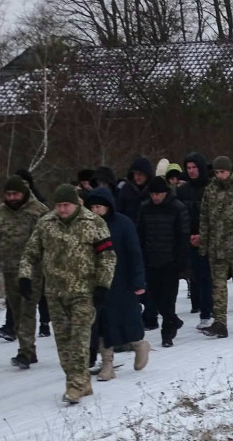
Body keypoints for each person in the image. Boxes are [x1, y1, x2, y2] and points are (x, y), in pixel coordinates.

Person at [19, 184, 116, 404]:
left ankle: (75, 386)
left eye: (66, 205)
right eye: (59, 205)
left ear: (76, 204)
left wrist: (102, 285)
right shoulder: (46, 224)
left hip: (84, 292)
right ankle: (82, 382)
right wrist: (24, 277)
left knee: (79, 340)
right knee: (63, 342)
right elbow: (30, 253)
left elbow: (107, 257)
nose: (62, 210)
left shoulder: (94, 223)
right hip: (54, 293)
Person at [83, 187, 149, 381]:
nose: (95, 211)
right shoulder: (86, 226)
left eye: (99, 206)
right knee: (101, 324)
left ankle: (139, 345)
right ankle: (107, 364)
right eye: (92, 207)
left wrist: (138, 280)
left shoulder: (123, 223)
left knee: (126, 319)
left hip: (122, 280)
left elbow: (134, 253)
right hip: (97, 282)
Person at [0, 173, 48, 370]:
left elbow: (50, 240)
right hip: (9, 271)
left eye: (15, 194)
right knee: (17, 310)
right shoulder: (0, 213)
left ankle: (25, 352)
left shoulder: (38, 211)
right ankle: (30, 349)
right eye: (8, 194)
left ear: (23, 193)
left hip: (32, 271)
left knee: (27, 309)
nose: (12, 198)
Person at [198, 157, 233, 338]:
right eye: (217, 172)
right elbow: (205, 220)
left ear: (230, 171)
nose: (220, 175)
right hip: (217, 247)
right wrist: (204, 244)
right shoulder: (210, 190)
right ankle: (220, 322)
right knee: (218, 287)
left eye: (222, 172)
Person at [136, 176, 189, 347]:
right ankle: (173, 319)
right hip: (151, 260)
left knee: (169, 298)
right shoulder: (145, 209)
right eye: (152, 194)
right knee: (154, 297)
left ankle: (167, 333)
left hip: (170, 261)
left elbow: (183, 235)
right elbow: (141, 235)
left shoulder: (177, 208)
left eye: (158, 194)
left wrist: (180, 261)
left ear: (165, 193)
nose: (155, 197)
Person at [176, 152, 213, 329]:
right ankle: (202, 309)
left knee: (209, 277)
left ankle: (208, 312)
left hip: (211, 238)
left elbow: (215, 216)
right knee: (197, 276)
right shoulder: (182, 190)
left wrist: (203, 235)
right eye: (188, 168)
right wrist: (188, 235)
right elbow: (180, 215)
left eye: (194, 167)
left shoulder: (211, 187)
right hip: (189, 238)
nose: (191, 171)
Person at [116, 157, 153, 223]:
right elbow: (119, 212)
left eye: (140, 174)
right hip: (129, 228)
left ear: (147, 175)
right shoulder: (126, 189)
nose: (136, 177)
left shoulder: (153, 189)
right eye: (135, 174)